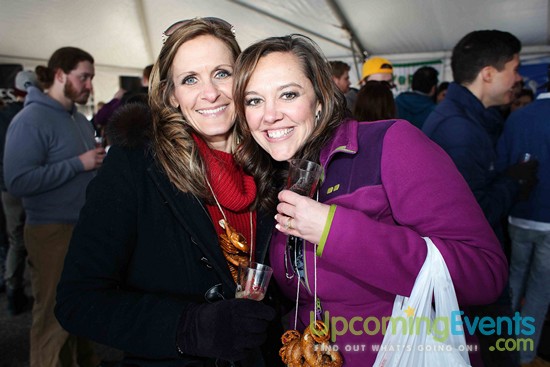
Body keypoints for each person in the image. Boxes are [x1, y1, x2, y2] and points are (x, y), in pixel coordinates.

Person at [232, 33, 508, 366]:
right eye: (253, 100)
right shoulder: (276, 177)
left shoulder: (391, 144)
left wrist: (334, 230)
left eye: (288, 94)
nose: (270, 115)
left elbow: (485, 273)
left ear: (320, 99)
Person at [55, 18, 280, 367]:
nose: (210, 93)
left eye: (222, 73)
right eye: (190, 79)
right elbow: (77, 300)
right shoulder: (137, 167)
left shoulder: (273, 162)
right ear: (172, 95)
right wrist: (187, 328)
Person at [422, 30, 538, 367]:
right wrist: (513, 184)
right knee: (493, 354)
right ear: (488, 73)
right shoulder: (460, 129)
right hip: (469, 272)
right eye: (513, 70)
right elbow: (472, 213)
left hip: (467, 269)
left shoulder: (469, 119)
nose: (517, 79)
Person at [3, 47, 104, 367]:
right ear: (60, 75)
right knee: (52, 317)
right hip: (50, 231)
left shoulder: (77, 119)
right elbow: (18, 181)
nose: (89, 85)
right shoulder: (30, 119)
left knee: (79, 311)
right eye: (83, 77)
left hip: (80, 228)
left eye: (90, 78)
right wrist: (79, 164)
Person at [496, 83, 550, 366]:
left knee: (514, 280)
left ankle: (501, 344)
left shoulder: (517, 116)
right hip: (547, 221)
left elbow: (503, 165)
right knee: (540, 289)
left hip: (518, 213)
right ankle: (524, 353)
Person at [0, 70, 40, 315]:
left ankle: (14, 290)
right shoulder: (39, 115)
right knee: (36, 239)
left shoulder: (4, 116)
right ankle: (38, 291)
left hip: (8, 186)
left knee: (15, 239)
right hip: (37, 187)